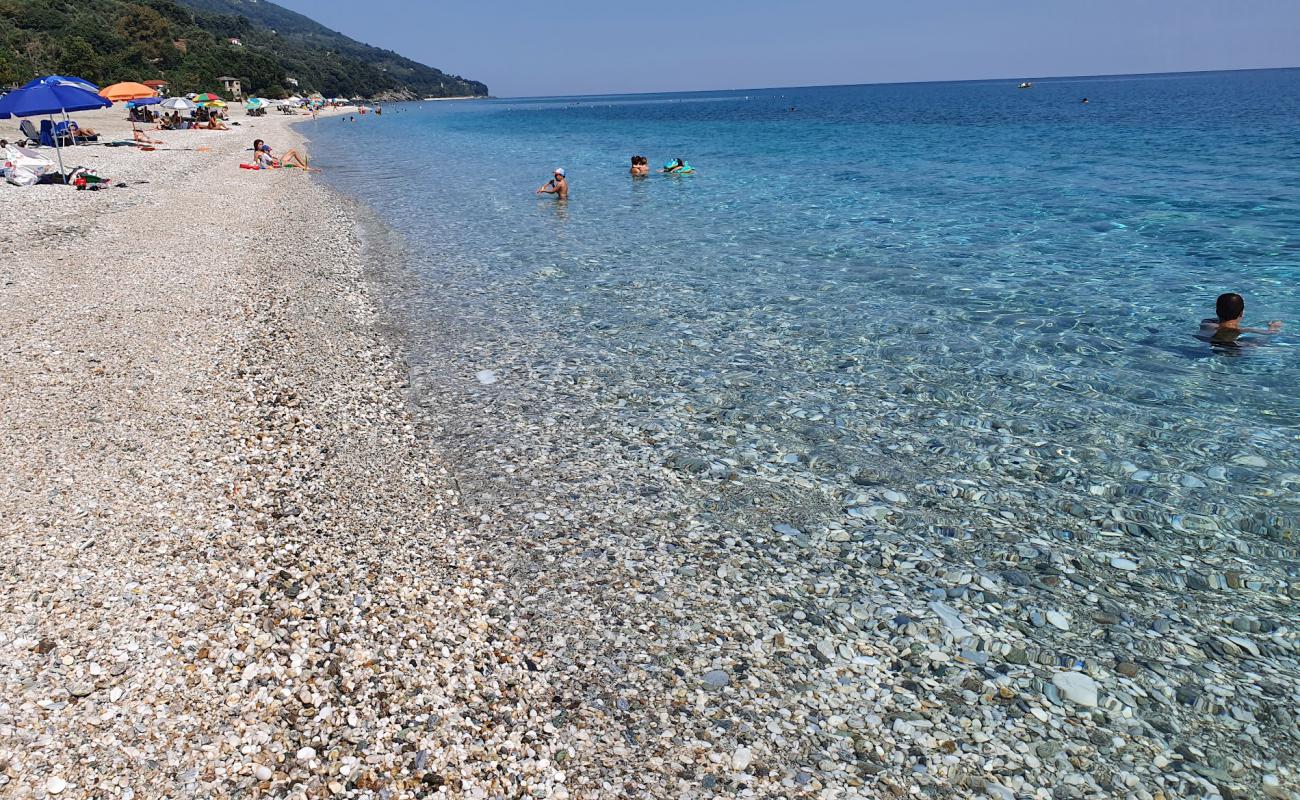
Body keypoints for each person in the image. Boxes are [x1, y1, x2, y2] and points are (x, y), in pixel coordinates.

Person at [1198, 292, 1283, 347]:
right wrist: (1273, 327)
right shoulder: (1245, 330)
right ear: (1241, 313)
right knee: (1256, 343)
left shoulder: (1206, 323)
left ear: (1217, 311)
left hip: (1210, 343)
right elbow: (1271, 333)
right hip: (1234, 348)